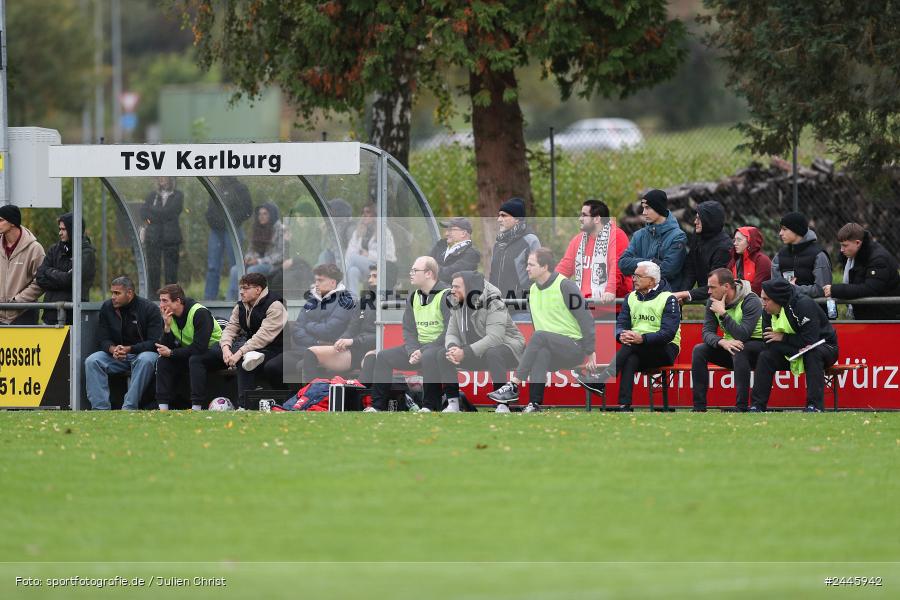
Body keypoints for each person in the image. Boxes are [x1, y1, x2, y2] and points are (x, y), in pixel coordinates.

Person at [488, 248, 596, 413]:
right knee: (540, 352)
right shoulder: (532, 290)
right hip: (550, 348)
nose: (527, 268)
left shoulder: (565, 285)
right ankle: (534, 404)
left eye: (531, 264)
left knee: (539, 337)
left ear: (544, 267)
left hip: (574, 348)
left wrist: (591, 352)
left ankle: (514, 384)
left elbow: (586, 318)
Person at [367, 256, 452, 412]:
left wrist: (423, 351)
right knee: (383, 357)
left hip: (440, 348)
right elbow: (408, 329)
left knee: (429, 356)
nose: (411, 273)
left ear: (428, 273)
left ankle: (429, 406)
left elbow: (450, 332)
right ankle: (376, 407)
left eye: (415, 270)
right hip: (418, 349)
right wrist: (413, 350)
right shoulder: (414, 297)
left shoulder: (446, 295)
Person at [593, 260, 681, 411]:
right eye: (633, 276)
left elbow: (668, 334)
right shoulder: (630, 297)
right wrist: (621, 335)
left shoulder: (668, 298)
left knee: (632, 346)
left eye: (638, 276)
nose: (633, 279)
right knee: (631, 358)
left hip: (666, 348)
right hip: (638, 346)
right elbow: (621, 324)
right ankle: (624, 405)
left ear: (652, 281)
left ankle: (602, 380)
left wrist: (642, 338)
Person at [439, 270, 526, 412]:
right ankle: (453, 405)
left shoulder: (493, 300)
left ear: (469, 287)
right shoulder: (456, 301)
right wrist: (453, 347)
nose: (452, 290)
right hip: (476, 352)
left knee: (493, 353)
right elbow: (451, 332)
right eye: (452, 286)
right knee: (443, 354)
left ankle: (502, 405)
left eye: (457, 287)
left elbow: (495, 338)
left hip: (509, 347)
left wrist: (465, 352)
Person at [751, 278, 839, 412]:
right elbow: (768, 342)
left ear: (778, 299)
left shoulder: (803, 304)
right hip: (794, 349)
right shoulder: (767, 311)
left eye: (766, 299)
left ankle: (814, 406)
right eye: (762, 299)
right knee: (766, 355)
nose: (763, 304)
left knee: (812, 353)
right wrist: (787, 344)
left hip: (824, 346)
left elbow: (810, 341)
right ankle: (757, 406)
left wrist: (783, 337)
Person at [690, 269, 765, 412]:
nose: (709, 292)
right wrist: (722, 342)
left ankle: (741, 407)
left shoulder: (751, 300)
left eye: (712, 287)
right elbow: (706, 333)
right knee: (699, 350)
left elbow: (743, 334)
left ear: (726, 287)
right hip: (730, 346)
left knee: (739, 348)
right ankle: (699, 407)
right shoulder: (712, 302)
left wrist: (723, 314)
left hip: (757, 347)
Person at [85, 277, 163, 410]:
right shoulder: (107, 307)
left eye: (117, 293)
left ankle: (128, 407)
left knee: (146, 359)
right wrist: (113, 349)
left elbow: (154, 342)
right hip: (117, 356)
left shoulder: (149, 308)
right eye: (112, 293)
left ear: (130, 293)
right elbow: (102, 338)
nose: (113, 297)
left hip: (142, 354)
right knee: (92, 360)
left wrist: (129, 349)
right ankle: (100, 410)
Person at [211, 273, 288, 409]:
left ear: (258, 290)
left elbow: (262, 337)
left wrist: (239, 353)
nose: (241, 292)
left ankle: (244, 406)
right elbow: (230, 328)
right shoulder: (241, 305)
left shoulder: (275, 305)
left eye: (246, 288)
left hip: (274, 349)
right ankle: (195, 405)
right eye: (241, 288)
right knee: (206, 354)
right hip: (251, 347)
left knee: (246, 359)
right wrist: (226, 349)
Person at [276, 262, 356, 384]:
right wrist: (316, 341)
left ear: (333, 282)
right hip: (304, 348)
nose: (316, 284)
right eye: (316, 280)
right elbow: (297, 330)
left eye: (320, 280)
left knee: (302, 365)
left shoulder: (346, 300)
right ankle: (288, 400)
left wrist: (308, 325)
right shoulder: (313, 298)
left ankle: (309, 399)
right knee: (272, 366)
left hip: (329, 351)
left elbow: (329, 330)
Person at [302, 265, 379, 383]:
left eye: (375, 276)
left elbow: (383, 336)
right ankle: (311, 395)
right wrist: (342, 340)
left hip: (376, 350)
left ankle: (362, 399)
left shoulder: (393, 302)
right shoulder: (364, 300)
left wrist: (353, 341)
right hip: (356, 349)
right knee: (311, 352)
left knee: (371, 358)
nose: (369, 280)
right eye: (369, 276)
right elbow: (353, 327)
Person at [154, 284, 223, 411]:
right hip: (193, 354)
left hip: (218, 352)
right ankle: (162, 407)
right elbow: (166, 348)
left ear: (178, 301)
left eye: (165, 301)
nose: (161, 305)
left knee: (196, 359)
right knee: (163, 360)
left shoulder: (199, 312)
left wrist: (172, 353)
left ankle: (196, 407)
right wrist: (167, 327)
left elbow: (199, 348)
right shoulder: (168, 315)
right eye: (160, 300)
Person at [556, 199, 631, 303]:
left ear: (596, 219)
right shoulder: (578, 240)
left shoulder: (617, 236)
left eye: (584, 215)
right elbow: (564, 268)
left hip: (612, 306)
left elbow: (617, 266)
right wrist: (549, 287)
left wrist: (610, 290)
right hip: (584, 306)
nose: (580, 219)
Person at [824, 223, 900, 320]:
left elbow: (869, 289)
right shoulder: (852, 256)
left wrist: (835, 290)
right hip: (867, 314)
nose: (841, 250)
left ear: (858, 243)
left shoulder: (878, 259)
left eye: (845, 245)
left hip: (883, 318)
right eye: (841, 245)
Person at [618, 189, 688, 291]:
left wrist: (638, 267)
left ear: (658, 208)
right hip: (639, 296)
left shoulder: (678, 236)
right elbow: (623, 264)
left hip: (665, 297)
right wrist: (651, 262)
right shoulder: (639, 235)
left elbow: (669, 270)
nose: (643, 212)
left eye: (647, 208)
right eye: (643, 208)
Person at [36, 212, 96, 324]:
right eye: (60, 229)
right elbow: (39, 276)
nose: (60, 233)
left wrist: (49, 272)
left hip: (72, 319)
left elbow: (71, 280)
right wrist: (62, 278)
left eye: (63, 229)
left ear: (73, 229)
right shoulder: (55, 249)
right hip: (50, 315)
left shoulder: (86, 253)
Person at [673, 200, 731, 304]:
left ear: (709, 220)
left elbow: (717, 284)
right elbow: (691, 267)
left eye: (699, 219)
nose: (695, 222)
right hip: (707, 292)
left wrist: (687, 294)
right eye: (696, 217)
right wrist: (683, 292)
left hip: (723, 300)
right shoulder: (699, 236)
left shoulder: (723, 248)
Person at [204, 176, 253, 300]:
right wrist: (215, 222)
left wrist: (231, 221)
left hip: (233, 230)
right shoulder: (215, 187)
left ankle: (237, 296)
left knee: (236, 266)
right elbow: (209, 210)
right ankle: (209, 298)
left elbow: (247, 210)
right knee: (212, 267)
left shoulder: (240, 188)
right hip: (216, 231)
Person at [489, 197, 541, 305]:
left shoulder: (530, 240)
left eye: (503, 215)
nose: (499, 219)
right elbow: (493, 275)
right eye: (499, 215)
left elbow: (537, 275)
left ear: (517, 219)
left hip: (521, 308)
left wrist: (517, 300)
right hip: (497, 307)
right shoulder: (498, 243)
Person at [228, 202, 285, 300]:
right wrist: (248, 259)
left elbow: (280, 255)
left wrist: (258, 261)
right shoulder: (257, 228)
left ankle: (249, 301)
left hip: (273, 265)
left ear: (272, 214)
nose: (261, 216)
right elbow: (251, 250)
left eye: (265, 214)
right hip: (256, 263)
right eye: (259, 214)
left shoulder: (280, 229)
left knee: (252, 271)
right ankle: (231, 301)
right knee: (235, 270)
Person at [0, 204, 45, 325]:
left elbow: (41, 281)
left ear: (12, 222)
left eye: (1, 220)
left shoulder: (35, 249)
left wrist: (18, 300)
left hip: (24, 314)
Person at [770, 212, 831, 299]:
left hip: (815, 309)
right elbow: (774, 287)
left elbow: (822, 290)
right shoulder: (779, 256)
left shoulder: (819, 255)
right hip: (787, 310)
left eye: (785, 229)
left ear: (796, 230)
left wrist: (793, 289)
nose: (780, 233)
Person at [141, 177, 184, 293]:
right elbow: (143, 213)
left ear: (171, 179)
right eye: (159, 177)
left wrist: (153, 212)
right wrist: (161, 215)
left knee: (171, 271)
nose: (161, 180)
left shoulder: (178, 195)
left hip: (171, 238)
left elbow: (171, 212)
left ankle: (171, 296)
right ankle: (153, 296)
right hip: (153, 238)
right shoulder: (152, 196)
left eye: (164, 177)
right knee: (153, 269)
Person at [344, 202, 396, 294]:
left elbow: (389, 255)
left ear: (374, 215)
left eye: (367, 212)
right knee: (352, 271)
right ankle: (353, 303)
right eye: (362, 213)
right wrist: (360, 255)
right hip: (362, 266)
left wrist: (369, 255)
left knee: (352, 258)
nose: (364, 215)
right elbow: (349, 252)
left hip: (379, 266)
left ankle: (338, 284)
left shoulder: (384, 231)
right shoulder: (358, 232)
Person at [429, 217, 482, 284]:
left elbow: (450, 274)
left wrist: (430, 270)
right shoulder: (441, 245)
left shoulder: (472, 253)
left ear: (463, 233)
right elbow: (426, 263)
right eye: (447, 230)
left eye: (451, 230)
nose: (446, 234)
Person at [728, 226, 771, 296]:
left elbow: (756, 289)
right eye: (734, 240)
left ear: (750, 241)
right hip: (735, 299)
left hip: (756, 301)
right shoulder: (735, 260)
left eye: (739, 240)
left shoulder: (762, 261)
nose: (735, 243)